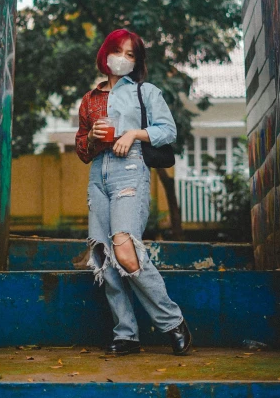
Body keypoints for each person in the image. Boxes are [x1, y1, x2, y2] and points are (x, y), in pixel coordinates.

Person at [75, 28, 192, 356]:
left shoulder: (146, 92)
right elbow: (82, 149)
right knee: (103, 259)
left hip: (129, 173)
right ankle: (126, 334)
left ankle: (172, 321)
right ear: (105, 53)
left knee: (124, 251)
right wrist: (95, 139)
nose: (123, 59)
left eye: (131, 55)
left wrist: (135, 133)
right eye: (119, 52)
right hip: (98, 177)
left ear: (136, 62)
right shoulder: (90, 99)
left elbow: (168, 131)